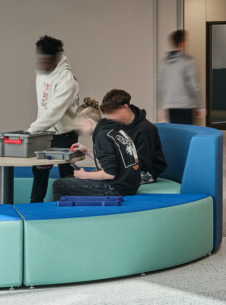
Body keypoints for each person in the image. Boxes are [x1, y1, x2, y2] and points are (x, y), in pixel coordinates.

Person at [52, 89, 143, 199]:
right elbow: (112, 162)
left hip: (117, 188)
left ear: (89, 122)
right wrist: (87, 151)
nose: (79, 129)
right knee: (70, 178)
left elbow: (109, 174)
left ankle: (67, 215)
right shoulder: (113, 130)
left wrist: (84, 175)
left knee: (59, 185)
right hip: (130, 184)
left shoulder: (102, 136)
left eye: (80, 125)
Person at [28, 35, 81, 203]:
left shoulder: (67, 79)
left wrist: (31, 130)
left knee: (67, 174)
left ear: (56, 58)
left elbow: (54, 111)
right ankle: (35, 207)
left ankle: (73, 207)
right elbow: (43, 107)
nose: (42, 63)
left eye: (46, 60)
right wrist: (37, 129)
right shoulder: (42, 73)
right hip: (45, 133)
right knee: (40, 171)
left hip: (65, 134)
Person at [160, 29, 204, 125]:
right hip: (185, 106)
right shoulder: (188, 61)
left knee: (176, 133)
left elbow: (162, 84)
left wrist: (164, 105)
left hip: (171, 106)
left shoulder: (165, 62)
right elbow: (195, 86)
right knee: (188, 134)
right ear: (182, 43)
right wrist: (200, 106)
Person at [122, 101, 167, 184]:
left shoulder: (145, 129)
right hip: (129, 167)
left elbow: (143, 163)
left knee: (114, 180)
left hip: (147, 171)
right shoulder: (120, 125)